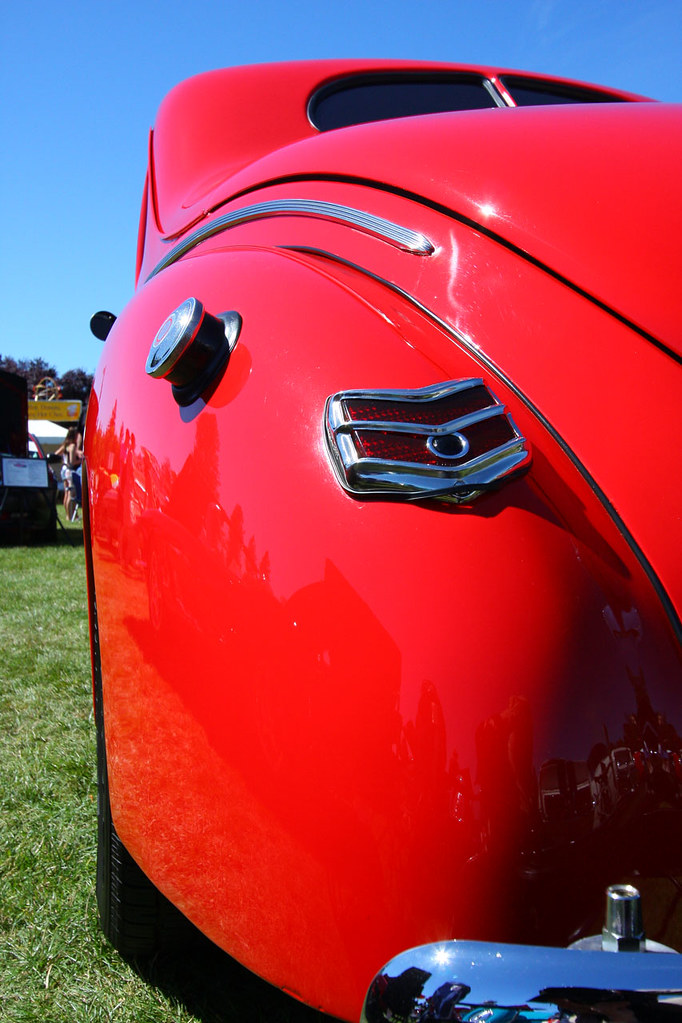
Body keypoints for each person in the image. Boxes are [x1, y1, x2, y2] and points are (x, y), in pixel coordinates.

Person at [54, 427, 83, 521]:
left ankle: (68, 515)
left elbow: (56, 454)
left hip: (63, 469)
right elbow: (72, 462)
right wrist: (81, 460)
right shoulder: (73, 446)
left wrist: (63, 460)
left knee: (66, 493)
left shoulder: (65, 445)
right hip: (69, 471)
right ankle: (71, 516)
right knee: (71, 494)